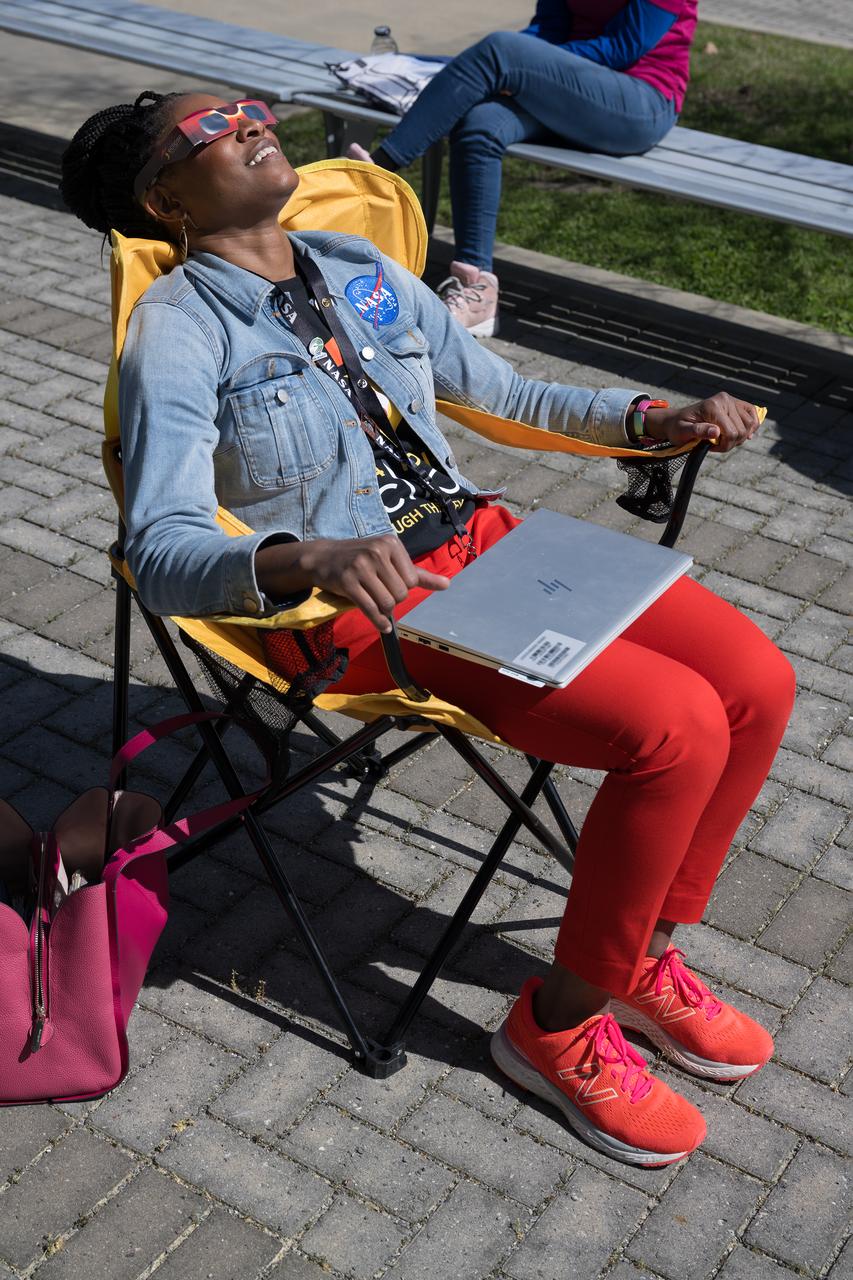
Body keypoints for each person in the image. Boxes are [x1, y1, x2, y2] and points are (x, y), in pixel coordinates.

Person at [61, 91, 794, 1170]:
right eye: (209, 126)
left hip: (488, 542)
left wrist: (652, 416)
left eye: (249, 108)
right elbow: (160, 549)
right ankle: (554, 1023)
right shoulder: (176, 331)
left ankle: (636, 953)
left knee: (758, 680)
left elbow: (500, 390)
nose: (249, 123)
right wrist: (300, 556)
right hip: (363, 609)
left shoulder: (348, 263)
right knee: (674, 725)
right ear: (165, 196)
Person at [348, 0, 697, 336]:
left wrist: (524, 68)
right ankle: (477, 286)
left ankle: (376, 171)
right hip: (570, 92)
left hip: (641, 101)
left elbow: (626, 46)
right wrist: (502, 69)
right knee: (480, 124)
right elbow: (549, 28)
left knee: (502, 50)